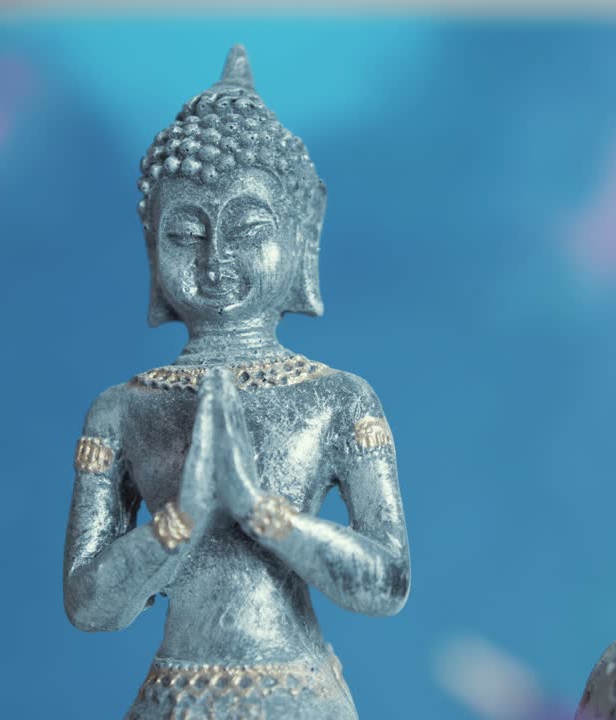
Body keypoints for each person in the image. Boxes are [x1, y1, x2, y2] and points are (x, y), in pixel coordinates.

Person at [63, 45, 410, 720]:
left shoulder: (339, 399)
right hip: (174, 698)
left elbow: (387, 582)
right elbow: (88, 604)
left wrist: (262, 513)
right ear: (151, 246)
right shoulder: (122, 410)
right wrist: (181, 521)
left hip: (301, 695)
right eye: (186, 233)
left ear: (303, 236)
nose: (216, 260)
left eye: (248, 229)